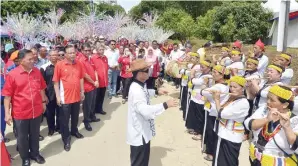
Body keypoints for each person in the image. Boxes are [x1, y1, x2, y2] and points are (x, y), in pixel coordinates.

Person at [126, 59, 178, 166]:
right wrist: (165, 105)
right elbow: (145, 111)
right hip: (139, 133)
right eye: (147, 70)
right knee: (139, 162)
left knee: (143, 161)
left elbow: (145, 93)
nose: (149, 72)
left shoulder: (140, 84)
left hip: (143, 131)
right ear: (140, 73)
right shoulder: (136, 90)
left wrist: (156, 91)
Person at [3, 49, 47, 166]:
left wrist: (43, 102)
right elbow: (7, 96)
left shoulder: (37, 71)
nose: (33, 61)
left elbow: (41, 87)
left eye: (33, 58)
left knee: (35, 134)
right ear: (21, 61)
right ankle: (25, 157)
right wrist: (7, 114)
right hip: (20, 113)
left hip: (36, 110)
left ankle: (35, 154)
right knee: (22, 138)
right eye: (30, 59)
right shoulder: (12, 75)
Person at [244, 85, 298, 166]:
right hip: (255, 159)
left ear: (285, 105)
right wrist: (266, 119)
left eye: (272, 100)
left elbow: (296, 146)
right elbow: (248, 124)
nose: (268, 102)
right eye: (267, 98)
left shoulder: (294, 119)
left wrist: (287, 128)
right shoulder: (264, 109)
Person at [53, 45, 85, 152]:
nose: (72, 54)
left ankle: (74, 131)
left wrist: (82, 91)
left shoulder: (79, 63)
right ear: (65, 54)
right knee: (64, 120)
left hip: (76, 97)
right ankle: (66, 139)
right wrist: (58, 96)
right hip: (65, 98)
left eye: (73, 52)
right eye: (69, 53)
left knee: (75, 117)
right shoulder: (59, 65)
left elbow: (81, 78)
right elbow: (56, 82)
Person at [212, 76, 249, 166]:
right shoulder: (232, 98)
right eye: (231, 87)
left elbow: (221, 113)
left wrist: (216, 99)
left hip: (230, 136)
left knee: (225, 162)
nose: (232, 89)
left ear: (243, 88)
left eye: (235, 87)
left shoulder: (243, 102)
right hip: (225, 133)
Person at [200, 65, 230, 161]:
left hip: (213, 111)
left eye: (215, 72)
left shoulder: (218, 87)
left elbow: (202, 92)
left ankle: (210, 153)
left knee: (210, 131)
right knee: (213, 131)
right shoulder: (225, 85)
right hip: (216, 111)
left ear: (221, 75)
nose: (212, 74)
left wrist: (205, 84)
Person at [185, 60, 212, 141]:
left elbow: (197, 82)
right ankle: (194, 129)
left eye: (203, 67)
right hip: (195, 98)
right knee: (195, 115)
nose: (201, 68)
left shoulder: (208, 76)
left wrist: (192, 76)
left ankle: (200, 133)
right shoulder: (202, 74)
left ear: (208, 68)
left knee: (200, 117)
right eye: (200, 66)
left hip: (202, 100)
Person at [78, 43, 100, 131]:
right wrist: (94, 82)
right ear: (82, 50)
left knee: (92, 103)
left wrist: (97, 80)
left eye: (88, 50)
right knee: (87, 105)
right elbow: (84, 75)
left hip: (94, 85)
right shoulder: (81, 60)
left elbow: (95, 70)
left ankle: (92, 116)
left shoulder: (90, 59)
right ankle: (86, 121)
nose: (87, 52)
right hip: (87, 86)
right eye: (85, 50)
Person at [40, 49, 60, 136]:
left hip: (60, 93)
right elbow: (41, 83)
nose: (54, 57)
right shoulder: (44, 67)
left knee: (60, 112)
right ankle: (51, 129)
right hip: (49, 94)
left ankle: (59, 127)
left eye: (56, 55)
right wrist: (44, 96)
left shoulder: (61, 65)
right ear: (49, 56)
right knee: (49, 114)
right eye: (52, 55)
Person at [91, 45, 109, 115]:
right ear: (97, 50)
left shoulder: (105, 58)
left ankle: (100, 109)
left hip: (104, 81)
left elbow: (106, 68)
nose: (102, 51)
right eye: (100, 49)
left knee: (102, 97)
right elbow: (92, 70)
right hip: (97, 81)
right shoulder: (93, 58)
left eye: (102, 49)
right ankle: (93, 111)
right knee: (96, 97)